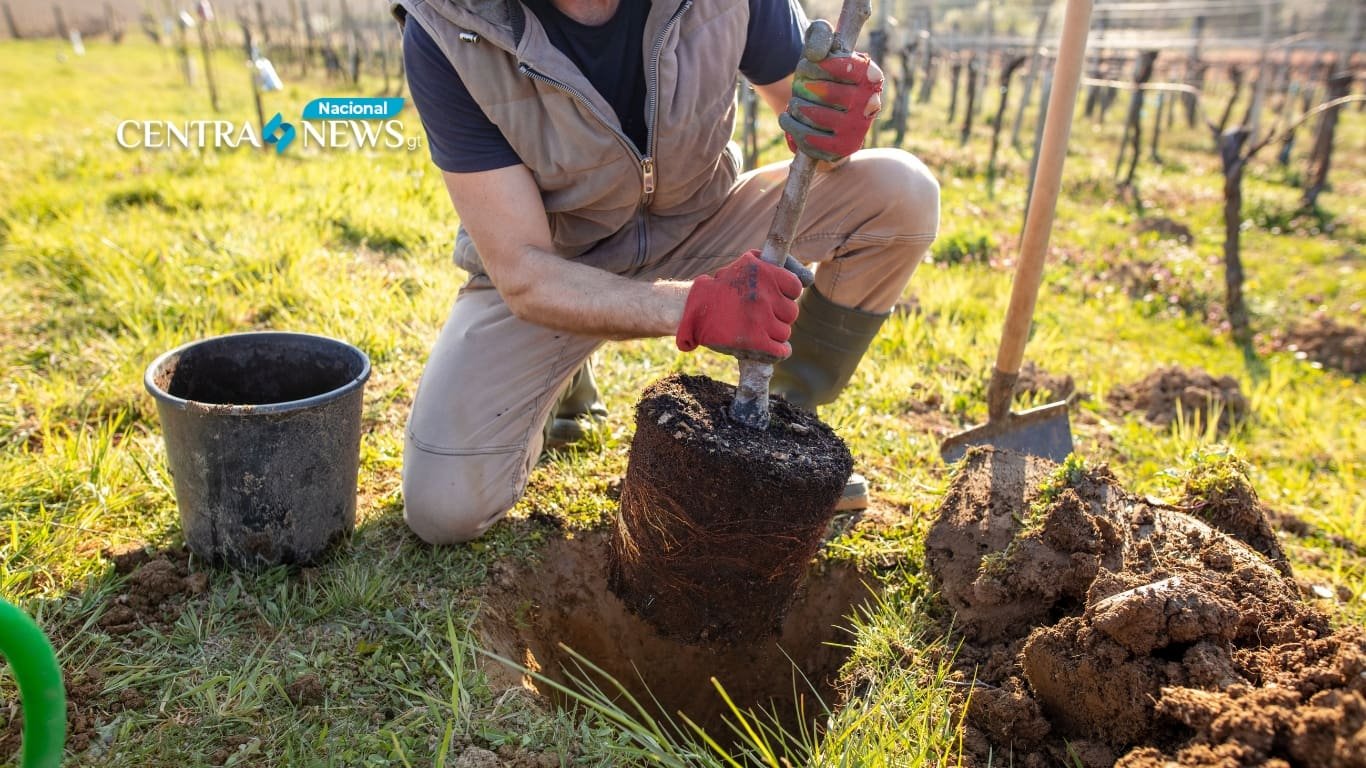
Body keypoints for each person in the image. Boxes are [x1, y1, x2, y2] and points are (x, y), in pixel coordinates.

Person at [393, 0, 939, 544]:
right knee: (445, 507)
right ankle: (561, 377)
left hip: (705, 222)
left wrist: (833, 118)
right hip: (561, 265)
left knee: (902, 193)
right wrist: (695, 307)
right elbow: (524, 272)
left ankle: (782, 432)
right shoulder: (451, 27)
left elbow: (806, 109)